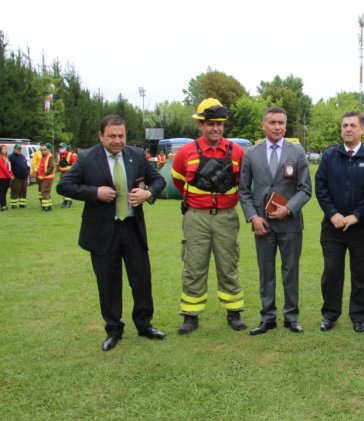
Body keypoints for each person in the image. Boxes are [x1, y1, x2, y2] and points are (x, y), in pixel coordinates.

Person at [57, 115, 167, 351]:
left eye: (121, 136)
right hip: (102, 232)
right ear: (101, 136)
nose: (117, 141)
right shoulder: (87, 158)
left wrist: (147, 194)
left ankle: (144, 324)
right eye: (112, 136)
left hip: (132, 228)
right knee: (108, 282)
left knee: (141, 278)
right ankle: (114, 329)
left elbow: (158, 180)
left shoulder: (136, 156)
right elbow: (64, 185)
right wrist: (94, 192)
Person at [171, 98, 248, 334]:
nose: (216, 128)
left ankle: (233, 313)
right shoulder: (185, 153)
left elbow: (243, 183)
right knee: (194, 265)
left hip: (226, 217)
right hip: (196, 218)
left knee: (228, 264)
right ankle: (190, 316)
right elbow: (178, 181)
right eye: (211, 123)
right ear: (200, 126)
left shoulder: (237, 152)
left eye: (220, 124)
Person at [239, 107, 312, 335]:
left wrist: (288, 209)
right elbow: (244, 191)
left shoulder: (297, 152)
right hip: (263, 224)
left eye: (281, 122)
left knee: (291, 271)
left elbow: (305, 189)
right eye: (272, 122)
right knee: (266, 272)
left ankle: (291, 317)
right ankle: (267, 317)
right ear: (264, 125)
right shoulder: (251, 153)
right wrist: (253, 217)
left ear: (286, 125)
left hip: (290, 224)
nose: (277, 127)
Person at [315, 112, 364, 333]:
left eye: (353, 125)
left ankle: (360, 316)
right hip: (333, 227)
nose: (348, 129)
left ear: (362, 129)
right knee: (332, 272)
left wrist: (357, 215)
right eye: (344, 125)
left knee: (362, 274)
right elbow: (321, 187)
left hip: (362, 228)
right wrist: (333, 213)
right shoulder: (330, 155)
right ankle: (330, 314)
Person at [8, 144, 29, 209]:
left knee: (23, 191)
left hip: (24, 177)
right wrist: (11, 176)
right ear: (14, 149)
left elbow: (26, 165)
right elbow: (9, 167)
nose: (19, 150)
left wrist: (27, 173)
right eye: (18, 149)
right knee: (15, 191)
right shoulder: (11, 157)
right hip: (16, 177)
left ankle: (22, 204)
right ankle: (13, 205)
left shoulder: (22, 156)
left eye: (20, 149)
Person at [37, 143, 56, 212]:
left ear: (48, 150)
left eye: (44, 149)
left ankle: (45, 207)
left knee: (44, 192)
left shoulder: (49, 157)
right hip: (44, 178)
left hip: (47, 177)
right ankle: (49, 206)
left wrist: (46, 173)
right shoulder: (43, 157)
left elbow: (52, 167)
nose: (43, 151)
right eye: (41, 150)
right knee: (47, 192)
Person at [58, 142, 77, 208]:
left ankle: (68, 201)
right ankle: (65, 200)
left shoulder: (70, 155)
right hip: (62, 173)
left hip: (68, 172)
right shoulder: (59, 155)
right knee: (62, 187)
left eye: (62, 147)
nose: (61, 149)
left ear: (65, 148)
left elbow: (74, 164)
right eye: (60, 147)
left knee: (67, 187)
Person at [0, 145, 11, 211]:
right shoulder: (0, 158)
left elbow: (9, 168)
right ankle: (3, 206)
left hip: (6, 177)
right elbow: (3, 168)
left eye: (5, 149)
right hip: (2, 177)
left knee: (5, 192)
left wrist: (10, 174)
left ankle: (4, 205)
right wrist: (10, 175)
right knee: (2, 192)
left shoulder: (6, 157)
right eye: (3, 149)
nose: (5, 150)